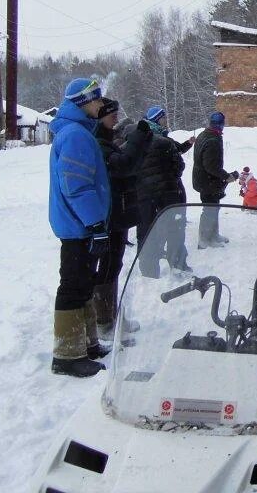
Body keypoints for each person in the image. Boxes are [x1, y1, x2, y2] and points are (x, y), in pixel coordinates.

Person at [47, 78, 111, 378]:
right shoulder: (75, 135)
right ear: (83, 102)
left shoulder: (78, 131)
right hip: (78, 227)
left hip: (80, 225)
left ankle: (86, 344)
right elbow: (76, 185)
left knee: (84, 283)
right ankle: (67, 355)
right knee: (73, 286)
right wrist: (95, 223)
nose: (101, 104)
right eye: (97, 99)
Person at [92, 98, 152, 340]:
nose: (116, 118)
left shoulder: (107, 140)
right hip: (108, 215)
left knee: (113, 266)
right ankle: (104, 321)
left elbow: (132, 165)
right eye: (111, 114)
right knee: (107, 268)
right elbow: (123, 166)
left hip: (117, 213)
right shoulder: (98, 143)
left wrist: (141, 140)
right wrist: (137, 139)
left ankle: (110, 315)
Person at [136, 105, 194, 274]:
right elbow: (179, 165)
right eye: (163, 118)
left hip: (146, 195)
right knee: (174, 228)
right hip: (167, 193)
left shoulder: (139, 138)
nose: (165, 121)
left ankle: (148, 267)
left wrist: (188, 144)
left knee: (148, 230)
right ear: (156, 119)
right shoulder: (163, 141)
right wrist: (167, 178)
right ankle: (177, 263)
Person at [192, 111, 238, 248]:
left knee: (214, 207)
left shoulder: (205, 134)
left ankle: (214, 235)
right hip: (207, 181)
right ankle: (205, 240)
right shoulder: (212, 140)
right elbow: (211, 166)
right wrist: (227, 176)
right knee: (209, 209)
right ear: (221, 125)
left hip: (205, 180)